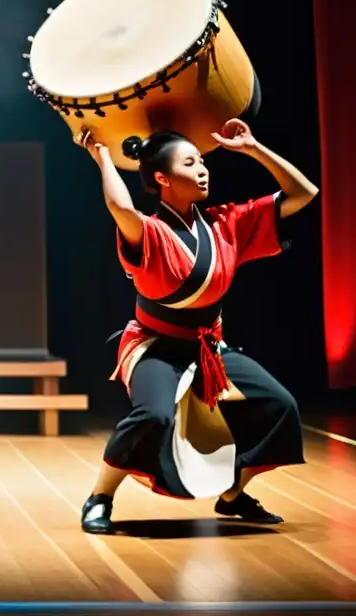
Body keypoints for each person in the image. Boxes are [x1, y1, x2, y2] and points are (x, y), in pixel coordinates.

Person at [78, 118, 318, 533]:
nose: (204, 169)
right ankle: (101, 496)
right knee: (154, 415)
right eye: (190, 162)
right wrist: (102, 156)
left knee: (280, 406)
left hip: (207, 346)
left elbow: (304, 193)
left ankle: (231, 494)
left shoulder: (226, 223)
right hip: (155, 345)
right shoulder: (150, 232)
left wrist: (254, 148)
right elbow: (120, 207)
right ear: (162, 178)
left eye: (203, 161)